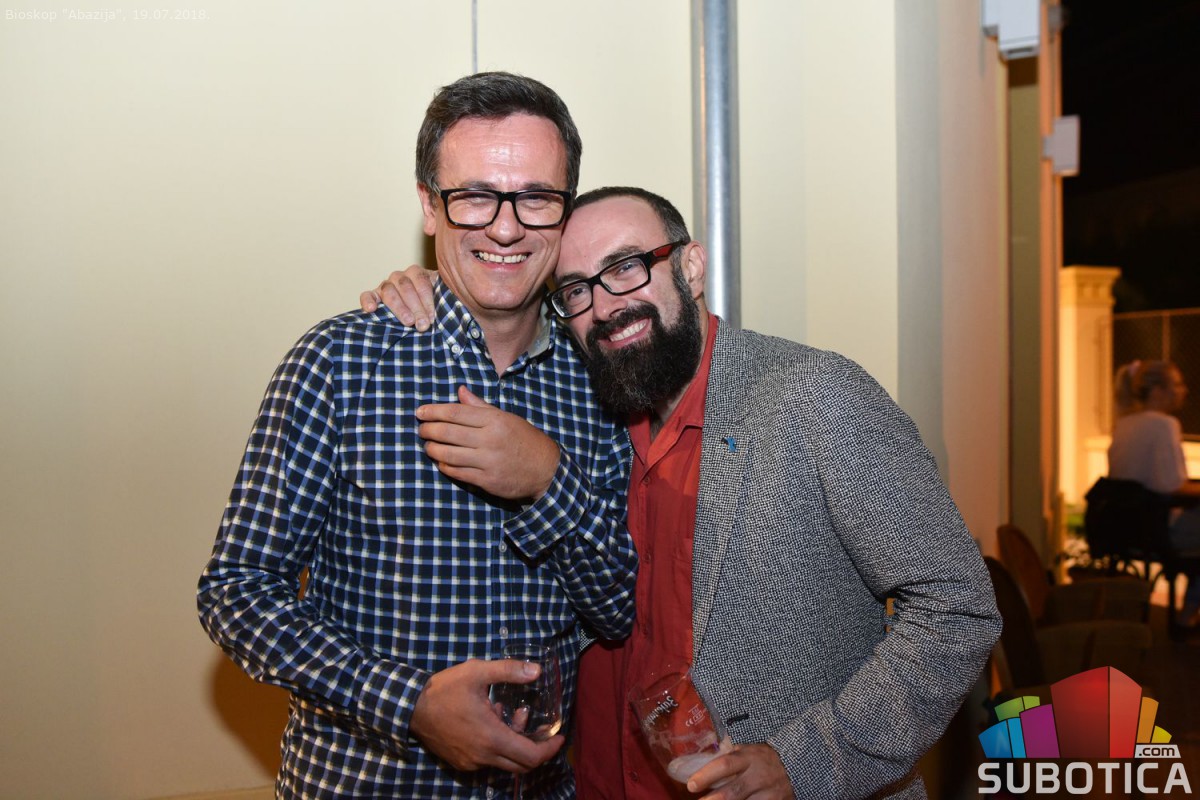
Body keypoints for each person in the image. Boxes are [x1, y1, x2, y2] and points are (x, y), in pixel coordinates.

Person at [363, 186, 1003, 799]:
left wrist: (804, 765)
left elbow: (958, 608)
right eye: (577, 289)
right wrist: (432, 289)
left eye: (627, 267)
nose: (605, 306)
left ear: (691, 266)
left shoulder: (812, 395)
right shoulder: (584, 414)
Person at [197, 73, 639, 800]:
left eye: (536, 197)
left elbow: (619, 612)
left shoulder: (599, 380)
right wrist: (408, 703)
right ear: (430, 206)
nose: (506, 228)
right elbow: (237, 593)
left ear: (566, 211)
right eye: (474, 197)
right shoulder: (342, 362)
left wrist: (548, 483)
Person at [1107, 358, 1200, 625]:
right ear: (1158, 391)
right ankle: (1188, 612)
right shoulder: (1163, 425)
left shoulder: (1124, 424)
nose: (1184, 390)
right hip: (1157, 529)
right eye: (1177, 385)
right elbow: (1171, 486)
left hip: (1127, 527)